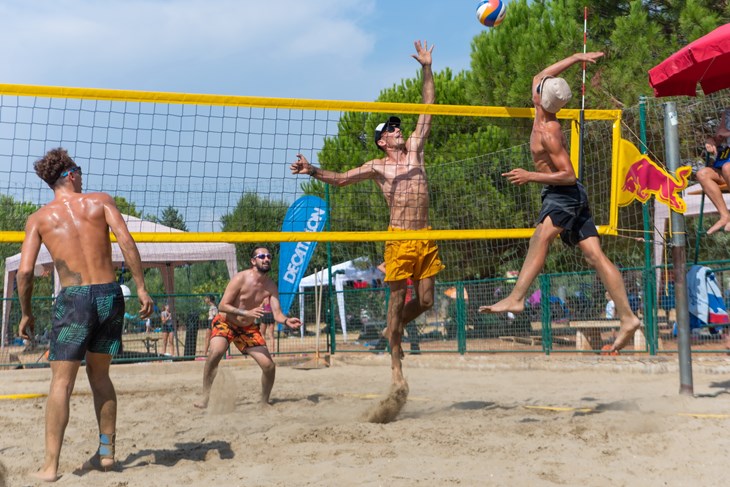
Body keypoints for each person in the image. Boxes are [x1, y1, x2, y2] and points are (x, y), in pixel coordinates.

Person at [291, 40, 442, 387]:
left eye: (397, 126)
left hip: (426, 234)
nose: (397, 129)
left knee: (427, 299)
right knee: (396, 295)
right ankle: (395, 366)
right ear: (381, 142)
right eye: (390, 129)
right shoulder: (377, 166)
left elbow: (428, 105)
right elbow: (342, 180)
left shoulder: (415, 151)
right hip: (399, 236)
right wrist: (312, 170)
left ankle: (394, 327)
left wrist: (426, 67)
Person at [478, 52, 641, 352]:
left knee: (540, 237)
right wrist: (577, 57)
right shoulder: (541, 104)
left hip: (563, 194)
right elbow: (540, 74)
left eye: (540, 87)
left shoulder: (549, 132)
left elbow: (568, 175)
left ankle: (517, 296)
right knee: (595, 256)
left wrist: (530, 175)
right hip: (566, 195)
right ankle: (628, 317)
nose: (537, 85)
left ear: (539, 99)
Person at [16, 148, 153, 482]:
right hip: (109, 294)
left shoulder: (39, 219)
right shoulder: (100, 201)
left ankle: (50, 467)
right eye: (79, 168)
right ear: (70, 174)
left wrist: (26, 313)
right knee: (101, 377)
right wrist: (141, 287)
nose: (82, 174)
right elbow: (127, 241)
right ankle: (106, 455)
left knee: (61, 382)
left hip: (75, 298)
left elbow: (24, 273)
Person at [194, 246, 301, 409]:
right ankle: (205, 396)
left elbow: (277, 313)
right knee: (215, 352)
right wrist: (246, 312)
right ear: (253, 261)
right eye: (262, 256)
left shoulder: (271, 286)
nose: (266, 259)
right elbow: (223, 305)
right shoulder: (240, 278)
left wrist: (286, 321)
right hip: (226, 322)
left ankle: (264, 402)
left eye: (269, 256)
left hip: (246, 328)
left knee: (269, 366)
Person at [696, 107, 730, 234]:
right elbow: (720, 135)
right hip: (726, 166)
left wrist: (726, 133)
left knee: (728, 168)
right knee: (702, 174)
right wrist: (711, 141)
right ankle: (725, 215)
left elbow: (725, 132)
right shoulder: (727, 113)